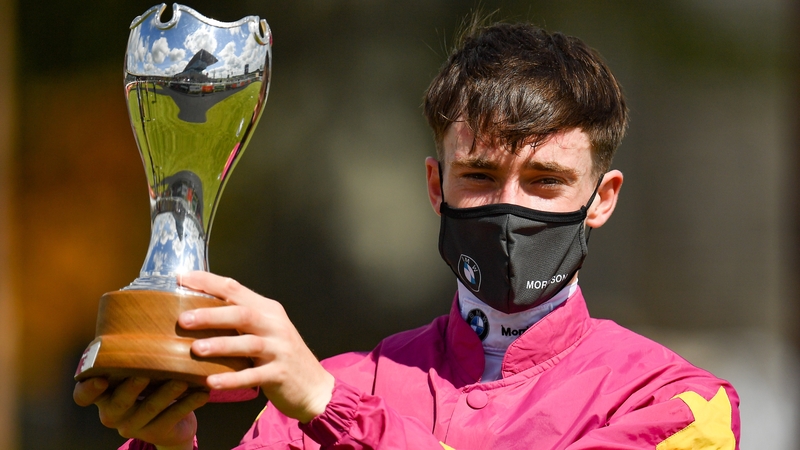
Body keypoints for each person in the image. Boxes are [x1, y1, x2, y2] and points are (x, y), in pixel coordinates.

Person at [74, 21, 741, 450]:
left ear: (603, 198)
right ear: (435, 185)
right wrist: (165, 441)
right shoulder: (326, 388)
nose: (509, 208)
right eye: (479, 175)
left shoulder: (680, 403)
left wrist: (335, 410)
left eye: (545, 181)